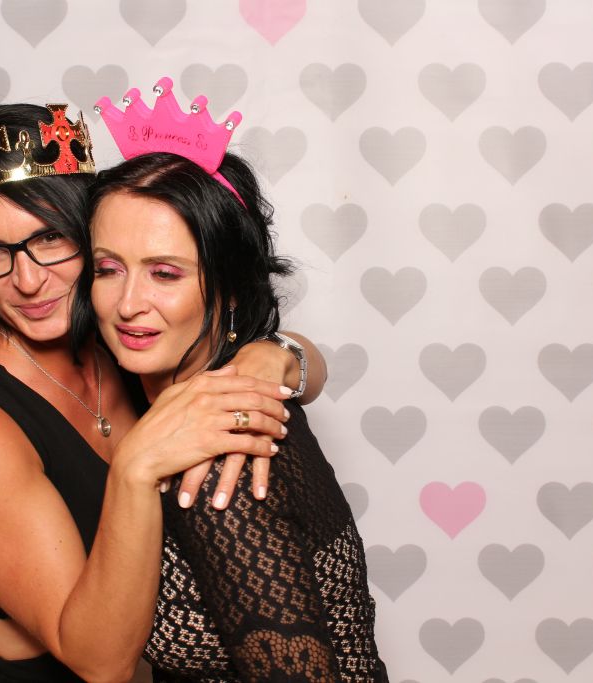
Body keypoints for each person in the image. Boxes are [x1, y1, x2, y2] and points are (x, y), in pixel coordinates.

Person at [0, 102, 326, 682]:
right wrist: (134, 468)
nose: (27, 281)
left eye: (49, 238)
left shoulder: (123, 337)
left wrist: (272, 356)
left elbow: (306, 366)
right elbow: (100, 663)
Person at [84, 80, 387, 681]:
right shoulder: (192, 393)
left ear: (228, 288)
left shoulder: (224, 465)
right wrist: (283, 352)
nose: (128, 303)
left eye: (165, 273)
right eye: (108, 268)